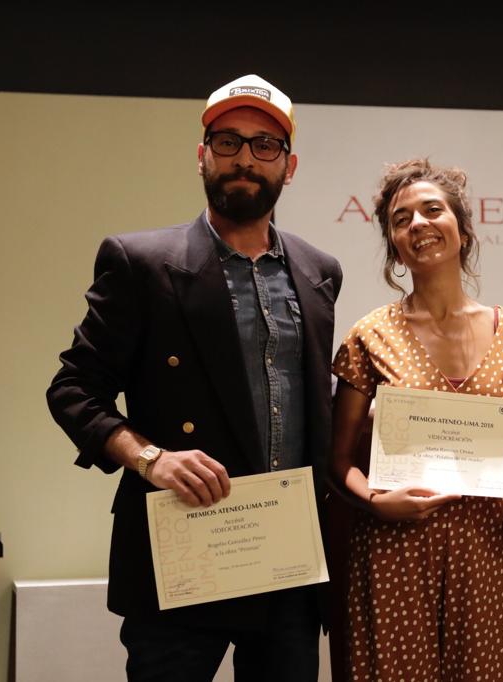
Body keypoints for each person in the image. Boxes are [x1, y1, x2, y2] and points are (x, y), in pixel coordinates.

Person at [46, 74, 342, 681]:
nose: (244, 158)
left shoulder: (319, 272)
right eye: (228, 141)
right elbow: (73, 388)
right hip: (183, 556)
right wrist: (152, 458)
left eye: (265, 145)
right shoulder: (141, 263)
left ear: (289, 165)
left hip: (288, 563)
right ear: (202, 155)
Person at [331, 158, 503, 681]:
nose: (418, 225)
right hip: (394, 557)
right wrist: (378, 503)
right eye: (401, 219)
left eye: (432, 210)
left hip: (483, 556)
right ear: (393, 244)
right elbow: (337, 461)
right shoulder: (370, 335)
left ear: (463, 227)